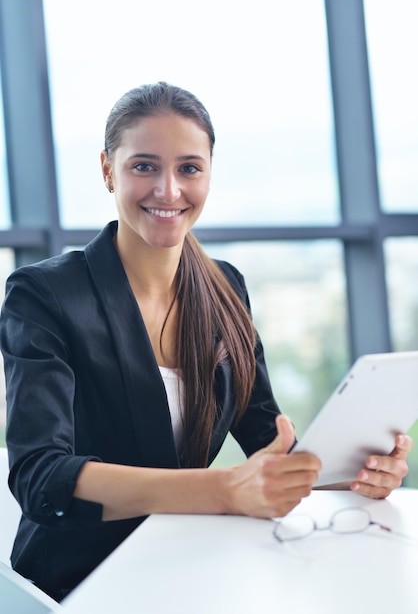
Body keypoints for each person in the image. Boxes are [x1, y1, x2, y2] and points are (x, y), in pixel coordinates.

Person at [0, 82, 412, 602]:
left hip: (191, 566)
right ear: (107, 169)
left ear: (210, 174)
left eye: (189, 168)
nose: (169, 191)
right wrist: (221, 490)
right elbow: (42, 479)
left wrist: (354, 469)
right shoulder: (45, 295)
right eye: (144, 166)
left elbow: (270, 441)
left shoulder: (224, 287)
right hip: (77, 584)